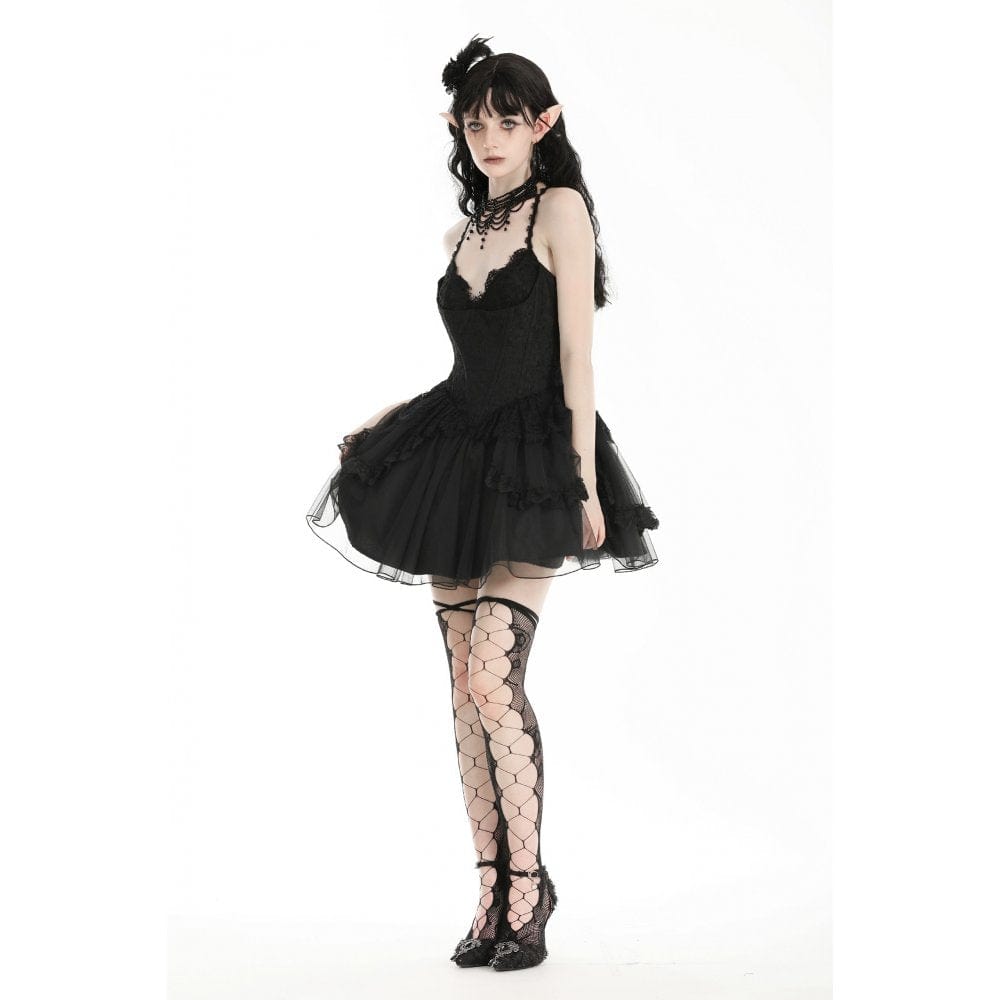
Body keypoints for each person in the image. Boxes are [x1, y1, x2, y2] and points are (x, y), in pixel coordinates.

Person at [305, 35, 660, 970]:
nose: (490, 136)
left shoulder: (560, 209)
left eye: (508, 120)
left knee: (492, 680)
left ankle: (530, 887)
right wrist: (387, 419)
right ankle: (488, 887)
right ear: (456, 130)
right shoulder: (459, 236)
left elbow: (575, 355)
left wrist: (584, 478)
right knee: (463, 689)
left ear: (543, 124)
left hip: (534, 459)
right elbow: (469, 369)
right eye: (474, 123)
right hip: (453, 456)